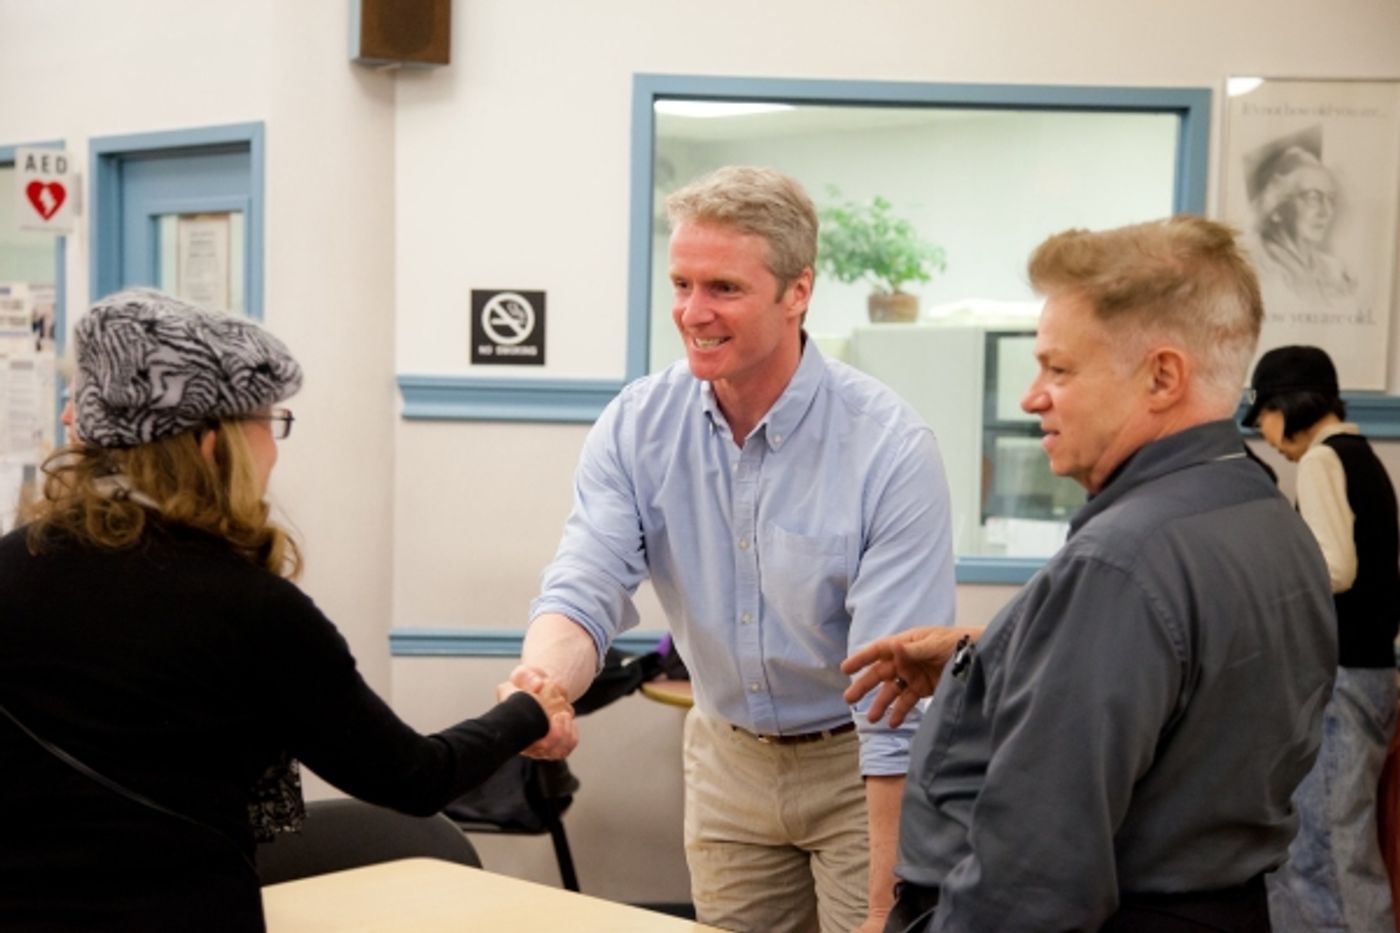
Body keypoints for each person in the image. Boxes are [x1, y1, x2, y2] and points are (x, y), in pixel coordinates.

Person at [0, 289, 574, 933]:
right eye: (269, 423)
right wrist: (527, 713)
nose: (274, 449)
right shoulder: (251, 610)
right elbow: (412, 777)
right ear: (212, 445)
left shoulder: (10, 566)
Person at [843, 216, 1338, 932]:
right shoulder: (1267, 520)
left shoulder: (1120, 565)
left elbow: (1032, 883)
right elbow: (1190, 693)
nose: (1030, 396)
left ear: (1162, 376)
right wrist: (995, 656)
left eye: (1059, 368)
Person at [505, 166, 957, 933]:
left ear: (797, 291)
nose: (692, 312)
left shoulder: (889, 446)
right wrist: (544, 685)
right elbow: (585, 585)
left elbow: (894, 699)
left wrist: (887, 905)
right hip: (726, 757)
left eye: (723, 288)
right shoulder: (638, 425)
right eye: (681, 283)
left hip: (860, 766)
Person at [1244, 344, 1399, 933]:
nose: (1262, 429)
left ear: (1289, 405)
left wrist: (1273, 573)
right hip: (1371, 673)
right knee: (1337, 847)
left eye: (1264, 413)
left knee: (1331, 855)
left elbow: (1335, 566)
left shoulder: (1322, 460)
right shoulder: (1365, 457)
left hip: (1339, 678)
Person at [1247, 129, 1356, 305]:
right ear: (1276, 209)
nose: (1326, 212)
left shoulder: (1335, 271)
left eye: (1330, 199)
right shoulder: (1252, 267)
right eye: (1313, 197)